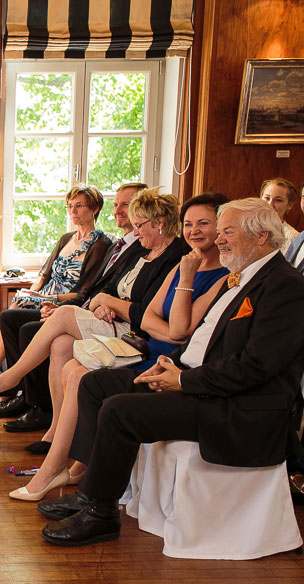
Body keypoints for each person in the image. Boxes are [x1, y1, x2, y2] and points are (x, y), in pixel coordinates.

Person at [37, 197, 304, 546]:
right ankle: (92, 491)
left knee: (119, 410)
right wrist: (173, 362)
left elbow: (256, 367)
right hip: (199, 381)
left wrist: (182, 380)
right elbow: (207, 340)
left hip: (238, 407)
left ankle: (101, 514)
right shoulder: (241, 277)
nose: (218, 240)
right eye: (219, 232)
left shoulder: (284, 286)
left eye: (227, 232)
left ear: (261, 237)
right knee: (95, 385)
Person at [5, 193, 228, 501]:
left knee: (80, 372)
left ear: (222, 227)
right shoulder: (181, 265)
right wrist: (147, 316)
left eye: (204, 223)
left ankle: (54, 468)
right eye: (189, 223)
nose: (193, 231)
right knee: (70, 365)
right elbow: (148, 314)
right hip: (144, 342)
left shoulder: (214, 273)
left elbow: (177, 331)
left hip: (162, 357)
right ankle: (77, 464)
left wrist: (185, 280)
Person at [0, 188, 189, 456]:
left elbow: (145, 310)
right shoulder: (142, 253)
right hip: (109, 316)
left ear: (160, 223)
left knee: (59, 316)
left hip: (135, 333)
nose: (136, 231)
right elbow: (111, 291)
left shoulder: (175, 257)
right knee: (59, 343)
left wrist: (107, 303)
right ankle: (55, 432)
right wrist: (102, 304)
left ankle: (9, 379)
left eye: (140, 225)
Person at [0, 183, 147, 439]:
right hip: (78, 304)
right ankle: (20, 391)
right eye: (117, 204)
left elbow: (90, 288)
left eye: (127, 204)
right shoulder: (84, 240)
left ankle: (31, 398)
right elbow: (47, 272)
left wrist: (60, 303)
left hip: (82, 305)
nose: (120, 210)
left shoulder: (106, 242)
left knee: (30, 329)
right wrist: (37, 294)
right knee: (13, 312)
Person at [0, 185, 112, 422]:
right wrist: (32, 292)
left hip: (66, 302)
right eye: (70, 206)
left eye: (79, 206)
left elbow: (84, 290)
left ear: (95, 209)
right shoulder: (66, 238)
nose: (73, 212)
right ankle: (14, 387)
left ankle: (7, 383)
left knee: (20, 320)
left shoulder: (100, 243)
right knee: (11, 310)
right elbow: (44, 275)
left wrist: (48, 300)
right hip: (46, 295)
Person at [260, 177, 300, 253]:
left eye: (278, 200)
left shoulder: (293, 239)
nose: (270, 204)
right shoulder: (247, 227)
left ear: (289, 205)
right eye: (267, 198)